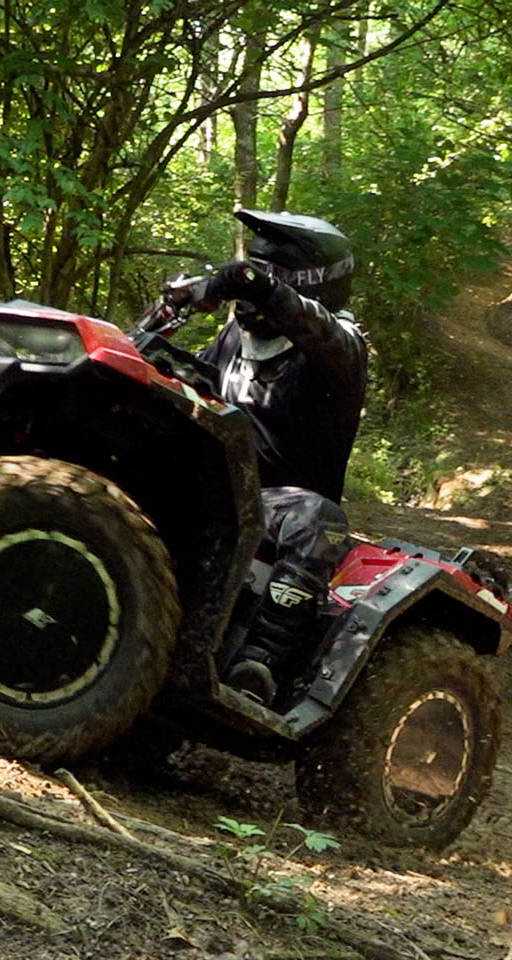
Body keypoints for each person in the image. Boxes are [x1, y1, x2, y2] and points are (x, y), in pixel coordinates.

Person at [176, 209, 368, 705]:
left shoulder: (341, 348)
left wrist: (254, 284)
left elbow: (315, 326)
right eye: (255, 267)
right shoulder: (234, 338)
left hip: (276, 506)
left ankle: (258, 662)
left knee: (319, 518)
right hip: (211, 484)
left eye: (271, 274)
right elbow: (192, 385)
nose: (254, 288)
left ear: (312, 282)